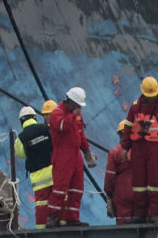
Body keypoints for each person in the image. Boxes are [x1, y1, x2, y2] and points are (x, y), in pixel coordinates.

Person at [124, 76, 158, 223]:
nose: (151, 99)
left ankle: (157, 214)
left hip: (157, 150)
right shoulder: (135, 106)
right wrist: (124, 147)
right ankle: (139, 215)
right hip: (138, 149)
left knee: (156, 183)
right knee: (139, 184)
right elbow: (128, 127)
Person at [46, 88, 97, 227]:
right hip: (62, 155)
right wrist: (73, 115)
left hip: (75, 155)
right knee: (60, 188)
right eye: (78, 105)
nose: (80, 108)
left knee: (77, 188)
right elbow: (62, 126)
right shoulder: (57, 113)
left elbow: (80, 134)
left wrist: (86, 152)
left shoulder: (77, 115)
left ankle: (72, 218)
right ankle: (53, 218)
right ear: (71, 102)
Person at [13, 101, 57, 229]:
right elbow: (55, 144)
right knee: (58, 199)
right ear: (35, 118)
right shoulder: (46, 128)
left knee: (41, 203)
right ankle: (62, 224)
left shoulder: (20, 138)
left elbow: (21, 154)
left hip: (38, 178)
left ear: (22, 121)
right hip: (54, 173)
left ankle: (41, 229)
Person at [104, 120, 133, 224]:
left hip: (122, 195)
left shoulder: (114, 153)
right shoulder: (142, 151)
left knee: (124, 227)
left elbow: (109, 178)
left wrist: (109, 197)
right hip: (141, 193)